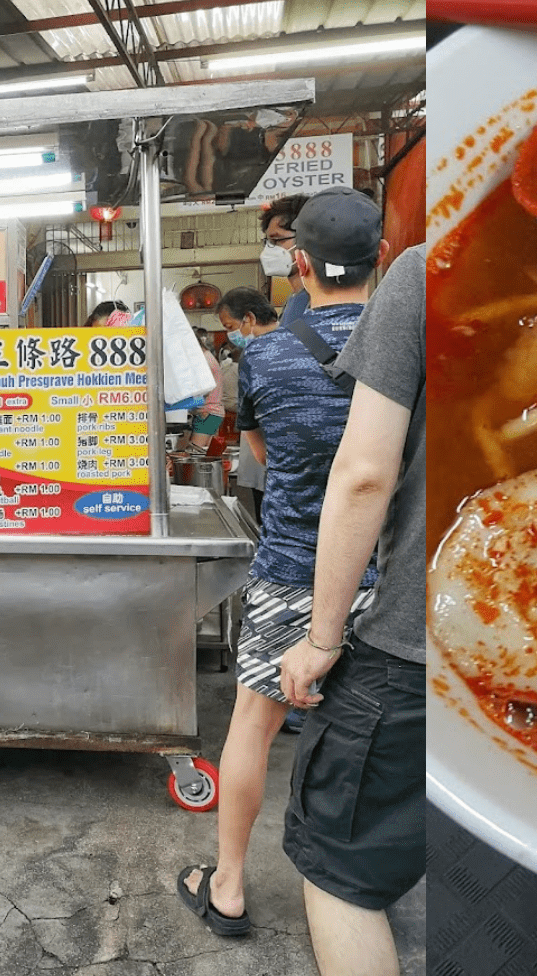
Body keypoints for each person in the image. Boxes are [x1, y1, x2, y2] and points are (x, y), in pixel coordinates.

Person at [177, 188, 386, 939]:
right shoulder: (411, 346)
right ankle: (362, 888)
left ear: (297, 263)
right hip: (386, 583)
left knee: (252, 728)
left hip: (293, 569)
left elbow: (261, 455)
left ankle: (228, 885)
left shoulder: (264, 353)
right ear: (382, 258)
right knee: (370, 740)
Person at [279, 238, 425, 976]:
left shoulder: (430, 273)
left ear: (300, 261)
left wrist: (323, 636)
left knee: (342, 873)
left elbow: (365, 473)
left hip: (403, 637)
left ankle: (228, 886)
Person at [216, 287, 279, 515]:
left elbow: (249, 424)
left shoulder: (253, 357)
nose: (230, 336)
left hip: (271, 464)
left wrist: (268, 462)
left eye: (230, 328)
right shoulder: (296, 342)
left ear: (250, 318)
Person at [258, 193, 311, 324]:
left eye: (276, 240)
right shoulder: (294, 301)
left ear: (307, 238)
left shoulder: (317, 302)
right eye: (268, 242)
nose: (270, 249)